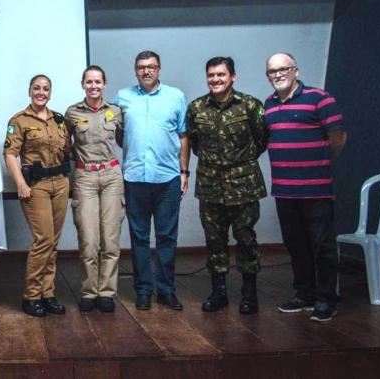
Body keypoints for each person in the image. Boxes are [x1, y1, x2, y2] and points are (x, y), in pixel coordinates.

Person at [264, 53, 346, 322]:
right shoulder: (269, 105)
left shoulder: (320, 98)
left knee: (322, 245)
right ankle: (304, 294)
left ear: (295, 71)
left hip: (315, 189)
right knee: (296, 245)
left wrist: (319, 163)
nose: (277, 75)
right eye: (272, 71)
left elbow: (338, 137)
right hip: (285, 191)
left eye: (283, 69)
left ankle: (326, 300)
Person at [187, 57, 268, 315]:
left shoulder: (250, 105)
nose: (215, 80)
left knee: (246, 238)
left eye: (221, 75)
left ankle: (249, 294)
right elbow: (195, 144)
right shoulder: (196, 108)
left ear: (233, 76)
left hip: (243, 184)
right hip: (211, 185)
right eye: (211, 75)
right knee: (215, 241)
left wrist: (238, 163)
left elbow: (262, 139)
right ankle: (219, 292)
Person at [114, 50, 189, 311]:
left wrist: (184, 172)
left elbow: (183, 136)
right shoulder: (122, 98)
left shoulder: (176, 97)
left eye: (151, 66)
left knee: (167, 237)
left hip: (167, 177)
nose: (146, 71)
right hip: (135, 177)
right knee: (139, 237)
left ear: (159, 69)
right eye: (141, 67)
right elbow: (117, 133)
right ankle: (143, 290)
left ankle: (166, 291)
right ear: (135, 70)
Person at [4, 75, 71, 317]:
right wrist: (20, 184)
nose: (41, 92)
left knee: (52, 243)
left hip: (60, 184)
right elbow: (10, 154)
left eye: (45, 89)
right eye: (36, 88)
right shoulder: (19, 120)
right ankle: (31, 295)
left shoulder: (60, 120)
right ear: (29, 91)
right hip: (36, 186)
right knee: (43, 240)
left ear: (50, 93)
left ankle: (48, 294)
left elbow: (68, 152)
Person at [65, 65, 124, 314]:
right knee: (89, 241)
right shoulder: (72, 113)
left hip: (111, 176)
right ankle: (89, 291)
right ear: (82, 84)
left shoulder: (117, 112)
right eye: (89, 82)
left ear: (104, 84)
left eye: (98, 82)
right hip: (85, 177)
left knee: (110, 240)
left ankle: (107, 292)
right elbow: (64, 145)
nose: (94, 86)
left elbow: (124, 140)